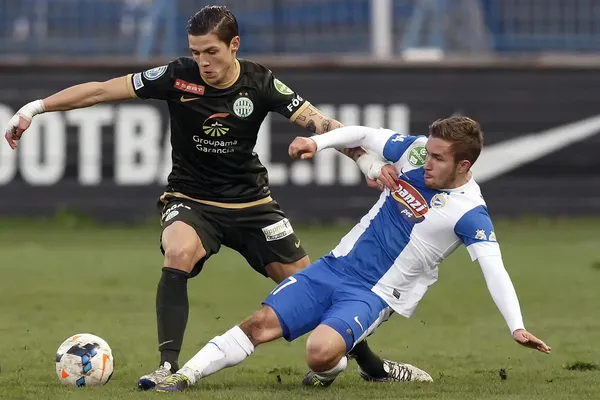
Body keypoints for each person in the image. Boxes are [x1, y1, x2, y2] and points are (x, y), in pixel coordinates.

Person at [4, 4, 411, 391]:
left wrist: (365, 162)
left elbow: (319, 122)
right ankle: (167, 367)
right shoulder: (177, 76)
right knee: (178, 250)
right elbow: (101, 90)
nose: (203, 61)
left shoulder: (260, 82)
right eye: (196, 52)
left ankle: (373, 367)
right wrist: (35, 108)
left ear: (234, 46)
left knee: (313, 289)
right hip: (191, 199)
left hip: (253, 205)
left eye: (211, 52)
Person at [151, 116, 552, 393]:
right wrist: (317, 142)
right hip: (334, 267)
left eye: (438, 158)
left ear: (463, 164)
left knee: (319, 354)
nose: (425, 162)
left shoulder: (470, 212)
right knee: (259, 324)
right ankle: (183, 377)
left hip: (374, 294)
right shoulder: (414, 153)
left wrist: (515, 325)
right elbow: (359, 133)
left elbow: (493, 267)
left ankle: (342, 366)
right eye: (427, 152)